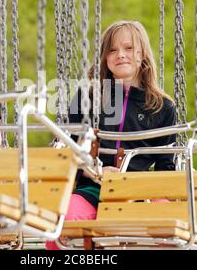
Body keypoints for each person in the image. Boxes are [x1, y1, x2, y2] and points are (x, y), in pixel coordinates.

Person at [46, 20, 176, 249]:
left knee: (168, 229)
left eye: (128, 48)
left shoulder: (161, 107)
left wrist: (138, 183)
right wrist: (96, 171)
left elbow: (166, 166)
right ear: (105, 58)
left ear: (142, 54)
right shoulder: (87, 97)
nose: (120, 55)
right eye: (112, 50)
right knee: (62, 224)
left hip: (139, 190)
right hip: (93, 188)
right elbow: (69, 151)